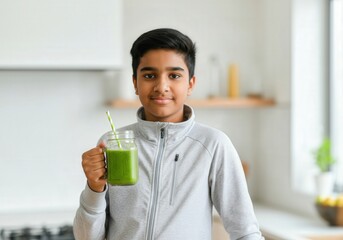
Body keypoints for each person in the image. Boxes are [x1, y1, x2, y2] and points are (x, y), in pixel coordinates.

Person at [73, 28, 264, 240]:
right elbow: (86, 237)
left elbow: (245, 231)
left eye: (174, 75)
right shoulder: (113, 143)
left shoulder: (213, 145)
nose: (161, 86)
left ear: (190, 84)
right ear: (135, 83)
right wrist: (94, 188)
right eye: (149, 75)